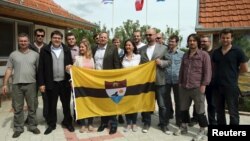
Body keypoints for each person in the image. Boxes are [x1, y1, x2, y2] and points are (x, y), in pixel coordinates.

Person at [1, 33, 40, 138]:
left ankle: (32, 126)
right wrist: (4, 84)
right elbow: (9, 69)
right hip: (16, 85)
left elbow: (39, 71)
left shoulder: (35, 55)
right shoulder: (13, 55)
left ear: (28, 42)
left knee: (32, 107)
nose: (23, 43)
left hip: (31, 84)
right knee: (17, 108)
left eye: (25, 41)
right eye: (21, 41)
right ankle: (18, 128)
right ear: (18, 42)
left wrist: (41, 84)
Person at [175, 33, 211, 141]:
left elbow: (207, 71)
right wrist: (180, 83)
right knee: (183, 108)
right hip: (184, 86)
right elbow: (182, 69)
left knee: (200, 110)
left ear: (197, 42)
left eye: (194, 40)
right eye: (190, 40)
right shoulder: (185, 55)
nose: (192, 42)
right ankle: (184, 126)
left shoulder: (204, 55)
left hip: (197, 87)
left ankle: (202, 130)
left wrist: (204, 84)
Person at [38, 30, 74, 135]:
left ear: (61, 39)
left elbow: (71, 65)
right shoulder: (45, 50)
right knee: (51, 105)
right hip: (51, 82)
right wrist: (41, 83)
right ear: (51, 38)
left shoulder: (67, 49)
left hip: (64, 82)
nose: (57, 40)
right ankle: (51, 124)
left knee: (66, 105)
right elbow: (41, 68)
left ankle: (68, 122)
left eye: (59, 38)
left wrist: (70, 70)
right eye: (55, 38)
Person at [212, 28, 248, 125]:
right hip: (217, 86)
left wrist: (233, 73)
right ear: (220, 38)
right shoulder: (216, 52)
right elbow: (213, 68)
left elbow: (245, 69)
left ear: (232, 38)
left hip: (231, 86)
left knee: (233, 113)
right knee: (219, 112)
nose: (225, 40)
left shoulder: (238, 51)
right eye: (223, 38)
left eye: (227, 38)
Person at [139, 28, 171, 134]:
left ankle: (163, 124)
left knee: (162, 105)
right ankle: (147, 123)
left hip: (159, 80)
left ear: (155, 35)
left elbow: (169, 62)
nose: (148, 36)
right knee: (147, 103)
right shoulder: (142, 49)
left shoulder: (163, 48)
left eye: (150, 35)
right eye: (147, 35)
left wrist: (161, 62)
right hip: (147, 81)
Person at [92, 32, 121, 135]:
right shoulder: (94, 48)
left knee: (112, 102)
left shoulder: (113, 49)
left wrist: (116, 80)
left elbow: (117, 64)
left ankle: (113, 124)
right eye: (101, 37)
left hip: (110, 81)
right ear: (98, 38)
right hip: (97, 81)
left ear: (107, 39)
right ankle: (103, 123)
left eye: (105, 37)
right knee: (102, 102)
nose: (103, 39)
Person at [66, 39, 95, 133]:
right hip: (80, 86)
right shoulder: (77, 58)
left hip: (90, 85)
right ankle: (82, 125)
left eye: (83, 47)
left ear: (87, 48)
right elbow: (72, 71)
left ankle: (90, 124)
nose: (81, 49)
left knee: (91, 104)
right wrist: (68, 69)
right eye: (80, 47)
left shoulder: (92, 58)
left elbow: (94, 72)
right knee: (81, 104)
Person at [29, 28, 48, 123]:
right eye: (38, 35)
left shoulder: (47, 47)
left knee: (46, 97)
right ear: (35, 36)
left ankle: (46, 116)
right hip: (32, 76)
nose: (40, 37)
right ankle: (31, 118)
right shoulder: (29, 46)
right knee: (32, 98)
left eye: (42, 35)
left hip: (44, 77)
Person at [121, 39, 141, 132]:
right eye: (126, 45)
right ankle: (128, 123)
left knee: (134, 104)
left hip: (135, 84)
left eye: (130, 45)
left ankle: (134, 123)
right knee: (126, 103)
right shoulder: (121, 58)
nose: (128, 47)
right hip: (125, 84)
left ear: (133, 47)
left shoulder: (138, 57)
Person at [165, 35, 184, 127]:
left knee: (178, 102)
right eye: (170, 41)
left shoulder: (182, 54)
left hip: (178, 81)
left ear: (177, 43)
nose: (171, 43)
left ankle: (179, 121)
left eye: (173, 41)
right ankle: (167, 118)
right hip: (167, 80)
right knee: (167, 101)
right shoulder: (165, 54)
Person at [200, 35, 217, 125]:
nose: (202, 43)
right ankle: (201, 123)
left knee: (212, 105)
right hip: (200, 83)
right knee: (199, 104)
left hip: (212, 83)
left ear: (210, 42)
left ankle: (212, 124)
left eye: (204, 41)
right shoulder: (199, 53)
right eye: (201, 41)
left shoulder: (215, 53)